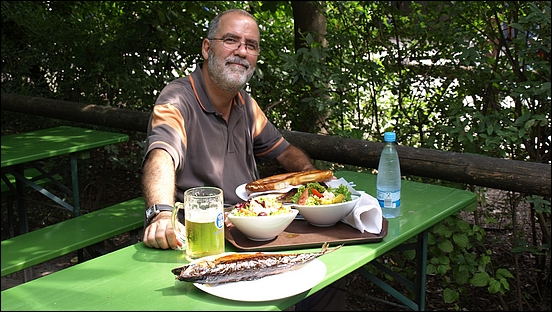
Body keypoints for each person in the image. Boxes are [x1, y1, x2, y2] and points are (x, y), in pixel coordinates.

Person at [141, 9, 347, 311]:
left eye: (251, 45)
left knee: (330, 282)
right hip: (203, 244)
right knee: (284, 300)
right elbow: (161, 155)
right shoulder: (177, 99)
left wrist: (311, 178)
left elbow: (284, 150)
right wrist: (160, 215)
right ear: (207, 47)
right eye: (231, 40)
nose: (241, 51)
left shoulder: (245, 105)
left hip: (254, 232)